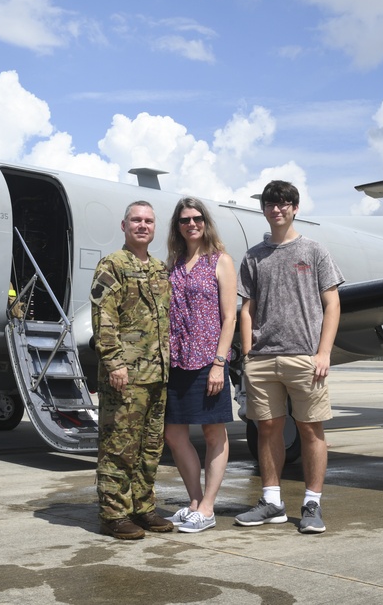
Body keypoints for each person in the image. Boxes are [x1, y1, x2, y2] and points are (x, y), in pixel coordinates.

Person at [234, 180, 344, 534]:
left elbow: (332, 303)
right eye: (270, 203)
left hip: (304, 358)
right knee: (267, 429)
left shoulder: (314, 251)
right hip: (263, 359)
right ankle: (271, 502)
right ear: (264, 209)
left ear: (295, 208)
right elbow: (246, 308)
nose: (276, 209)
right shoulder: (253, 256)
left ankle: (312, 503)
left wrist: (323, 352)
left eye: (284, 203)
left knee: (311, 429)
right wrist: (249, 354)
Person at [90, 200, 174, 540]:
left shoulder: (159, 269)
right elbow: (104, 318)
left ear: (155, 228)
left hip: (157, 375)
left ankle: (143, 507)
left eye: (148, 221)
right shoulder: (112, 264)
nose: (142, 225)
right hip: (126, 375)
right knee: (119, 446)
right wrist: (114, 363)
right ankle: (114, 513)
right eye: (136, 220)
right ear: (124, 226)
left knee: (150, 446)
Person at [163, 197, 237, 533]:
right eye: (184, 220)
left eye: (196, 218)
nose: (191, 224)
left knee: (213, 433)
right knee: (174, 434)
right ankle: (194, 501)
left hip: (208, 360)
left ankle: (208, 507)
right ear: (177, 226)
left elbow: (230, 316)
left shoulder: (220, 261)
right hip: (176, 360)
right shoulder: (174, 263)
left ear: (205, 222)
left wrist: (219, 363)